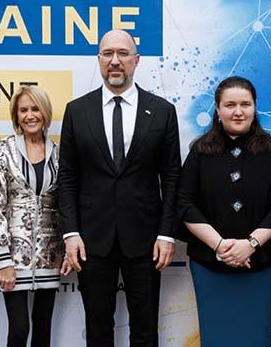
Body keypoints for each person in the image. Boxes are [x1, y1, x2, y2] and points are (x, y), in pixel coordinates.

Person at [56, 29, 181, 346]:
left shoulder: (163, 111)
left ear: (136, 60)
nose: (115, 61)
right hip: (91, 241)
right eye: (107, 54)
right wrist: (71, 234)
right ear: (98, 60)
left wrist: (166, 234)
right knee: (97, 330)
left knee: (145, 330)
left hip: (146, 240)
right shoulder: (77, 111)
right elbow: (68, 176)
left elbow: (171, 177)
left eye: (123, 54)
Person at [176, 76, 271, 346]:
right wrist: (220, 246)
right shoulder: (199, 152)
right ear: (217, 110)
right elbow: (184, 203)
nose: (238, 111)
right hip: (210, 266)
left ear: (255, 108)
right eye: (230, 105)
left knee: (257, 337)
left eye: (245, 104)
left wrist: (250, 244)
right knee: (217, 336)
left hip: (262, 264)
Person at [0, 86, 63, 347]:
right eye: (23, 110)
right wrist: (2, 258)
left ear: (45, 113)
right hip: (12, 256)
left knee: (43, 329)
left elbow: (67, 204)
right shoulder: (3, 150)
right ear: (16, 116)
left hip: (50, 255)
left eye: (35, 109)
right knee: (18, 329)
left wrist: (67, 250)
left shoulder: (59, 153)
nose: (30, 115)